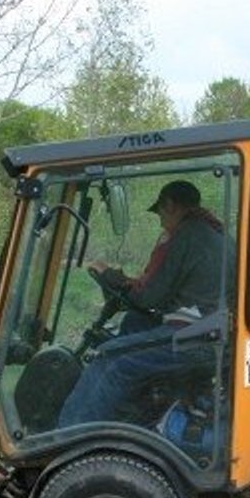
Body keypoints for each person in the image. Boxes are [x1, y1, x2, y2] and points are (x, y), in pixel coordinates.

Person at [58, 180, 225, 427]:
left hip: (193, 336)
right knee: (134, 322)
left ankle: (66, 437)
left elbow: (149, 297)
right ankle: (125, 422)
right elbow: (161, 292)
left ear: (169, 205)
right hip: (206, 330)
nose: (160, 222)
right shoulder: (209, 233)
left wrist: (111, 277)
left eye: (160, 214)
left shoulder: (185, 236)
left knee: (109, 356)